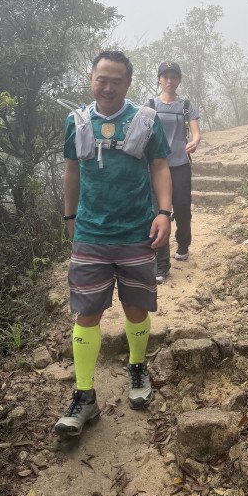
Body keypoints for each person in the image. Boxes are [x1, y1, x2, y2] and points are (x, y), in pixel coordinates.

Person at [55, 51, 172, 437]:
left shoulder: (145, 120)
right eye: (101, 79)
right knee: (86, 314)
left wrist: (164, 213)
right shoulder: (77, 122)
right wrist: (70, 217)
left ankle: (137, 367)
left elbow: (159, 165)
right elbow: (72, 170)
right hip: (91, 234)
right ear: (91, 78)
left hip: (137, 230)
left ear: (128, 83)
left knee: (136, 307)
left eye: (116, 81)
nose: (107, 87)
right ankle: (84, 395)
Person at [150, 61, 200, 283]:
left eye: (174, 77)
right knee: (159, 212)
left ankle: (183, 242)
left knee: (182, 209)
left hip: (180, 164)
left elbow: (196, 132)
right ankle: (161, 264)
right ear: (159, 79)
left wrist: (195, 141)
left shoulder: (186, 106)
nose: (169, 81)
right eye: (165, 77)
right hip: (156, 166)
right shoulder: (150, 106)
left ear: (179, 80)